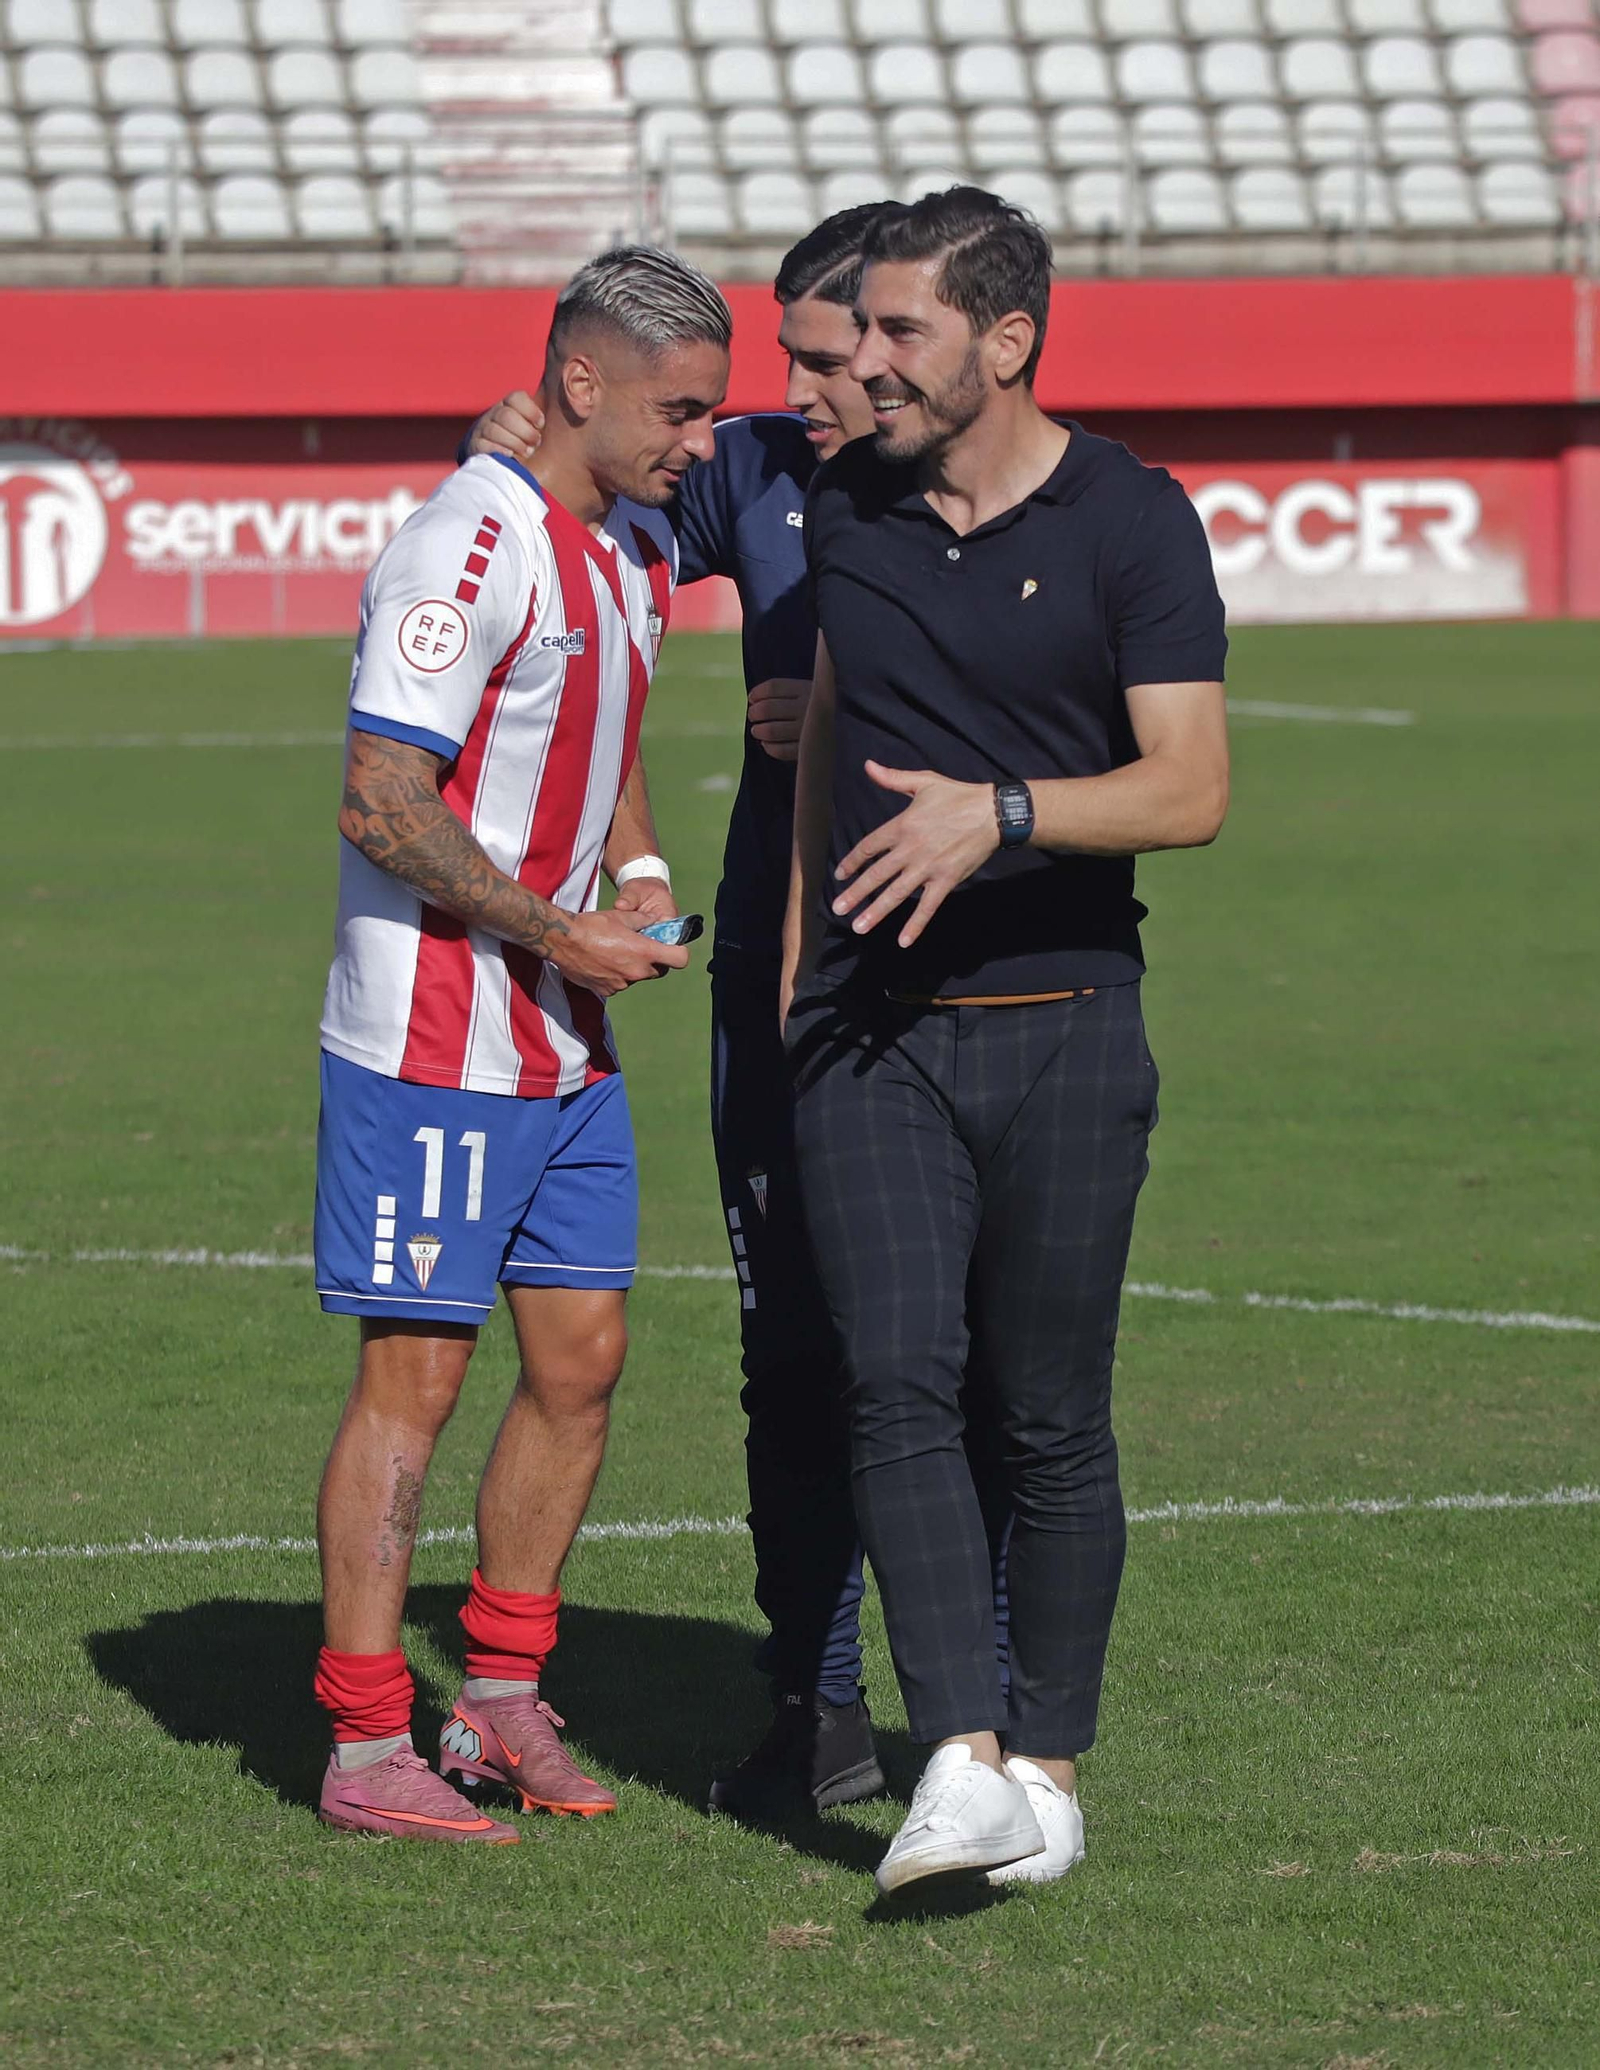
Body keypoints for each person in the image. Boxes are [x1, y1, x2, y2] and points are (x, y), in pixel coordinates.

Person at [465, 207, 1013, 1821]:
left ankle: (978, 1719)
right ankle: (819, 1699)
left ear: (916, 338)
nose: (813, 385)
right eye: (795, 358)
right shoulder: (757, 469)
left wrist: (854, 714)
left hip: (975, 985)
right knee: (791, 1355)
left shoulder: (1010, 494)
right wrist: (502, 431)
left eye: (841, 353)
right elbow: (580, 467)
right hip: (784, 985)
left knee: (964, 1362)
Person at [783, 188, 1230, 1893]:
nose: (863, 363)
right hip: (872, 1038)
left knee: (1048, 1415)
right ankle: (957, 1752)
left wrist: (1007, 814)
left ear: (1008, 341)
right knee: (897, 1384)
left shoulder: (1136, 520)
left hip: (1068, 1025)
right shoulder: (839, 494)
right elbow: (829, 699)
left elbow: (1190, 789)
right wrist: (803, 951)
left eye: (900, 331)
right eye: (857, 335)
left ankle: (1046, 1769)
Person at [311, 245, 731, 1842]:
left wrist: (634, 873)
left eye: (713, 413)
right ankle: (364, 1747)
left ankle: (495, 1698)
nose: (699, 441)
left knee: (584, 1364)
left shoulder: (629, 553)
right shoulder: (460, 546)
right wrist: (563, 935)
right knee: (413, 1380)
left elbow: (600, 740)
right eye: (678, 411)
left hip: (565, 1036)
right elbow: (381, 800)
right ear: (579, 382)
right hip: (433, 1038)